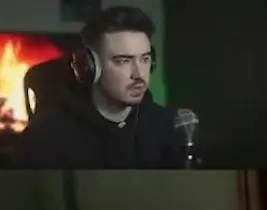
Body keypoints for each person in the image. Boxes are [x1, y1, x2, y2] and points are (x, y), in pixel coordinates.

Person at [11, 6, 183, 169]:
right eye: (123, 61)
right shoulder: (46, 136)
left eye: (145, 59)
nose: (139, 74)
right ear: (90, 66)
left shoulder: (166, 126)